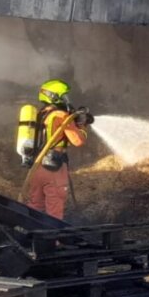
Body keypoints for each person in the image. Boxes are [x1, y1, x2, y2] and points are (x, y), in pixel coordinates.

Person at [21, 79, 93, 220]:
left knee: (35, 205)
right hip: (53, 168)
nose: (67, 99)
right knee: (54, 210)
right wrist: (82, 127)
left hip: (36, 167)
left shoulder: (40, 114)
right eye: (64, 96)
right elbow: (78, 141)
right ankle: (53, 235)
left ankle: (30, 232)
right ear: (54, 96)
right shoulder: (61, 116)